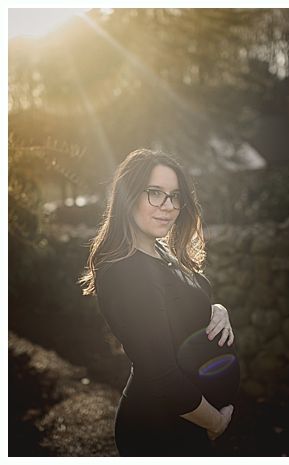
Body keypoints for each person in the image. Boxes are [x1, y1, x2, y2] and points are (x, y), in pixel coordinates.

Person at [80, 149, 240, 456]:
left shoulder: (160, 252)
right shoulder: (127, 272)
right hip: (161, 429)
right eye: (155, 193)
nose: (168, 206)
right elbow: (161, 374)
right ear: (129, 196)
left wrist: (218, 310)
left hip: (184, 422)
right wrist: (215, 421)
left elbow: (188, 305)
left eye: (175, 196)